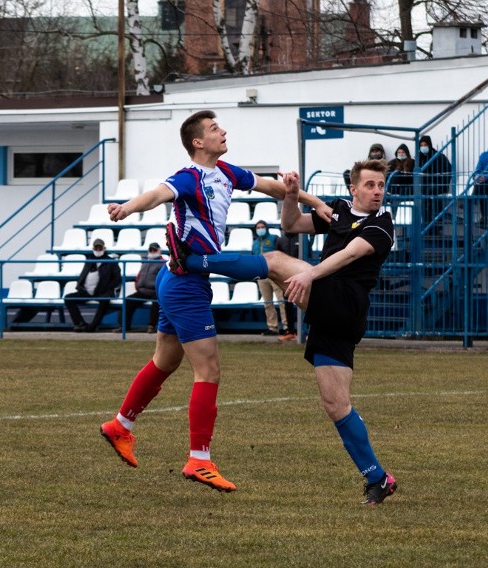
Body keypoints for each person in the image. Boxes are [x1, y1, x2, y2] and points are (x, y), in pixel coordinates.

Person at [99, 109, 331, 492]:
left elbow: (272, 187)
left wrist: (312, 200)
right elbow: (157, 195)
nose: (222, 132)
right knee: (208, 371)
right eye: (213, 129)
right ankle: (199, 460)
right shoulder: (189, 178)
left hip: (183, 280)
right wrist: (126, 208)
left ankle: (120, 426)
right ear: (197, 142)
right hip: (185, 282)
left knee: (165, 361)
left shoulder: (226, 172)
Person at [165, 160, 398, 505]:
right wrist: (290, 196)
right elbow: (290, 224)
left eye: (381, 185)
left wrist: (309, 275)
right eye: (370, 185)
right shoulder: (339, 210)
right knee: (336, 404)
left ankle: (193, 260)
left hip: (344, 303)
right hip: (329, 311)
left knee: (273, 260)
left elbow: (350, 254)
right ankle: (378, 477)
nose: (377, 191)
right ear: (354, 189)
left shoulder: (382, 224)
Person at [64, 238, 122, 332]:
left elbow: (117, 279)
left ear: (104, 248)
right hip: (86, 291)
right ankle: (80, 323)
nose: (98, 250)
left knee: (105, 301)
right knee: (68, 298)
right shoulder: (89, 261)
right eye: (96, 248)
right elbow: (83, 275)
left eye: (100, 248)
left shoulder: (111, 262)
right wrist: (80, 287)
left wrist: (107, 288)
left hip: (102, 292)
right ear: (93, 249)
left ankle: (93, 325)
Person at [116, 242, 163, 334]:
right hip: (143, 291)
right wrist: (137, 285)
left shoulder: (162, 263)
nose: (152, 252)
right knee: (128, 300)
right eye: (151, 250)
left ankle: (151, 326)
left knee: (156, 302)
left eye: (154, 250)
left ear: (159, 250)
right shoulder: (145, 262)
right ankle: (124, 326)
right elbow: (139, 275)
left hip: (155, 291)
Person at [252, 219, 288, 336]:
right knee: (267, 302)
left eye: (262, 227)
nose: (260, 229)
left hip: (274, 273)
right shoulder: (255, 243)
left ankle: (286, 326)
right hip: (261, 276)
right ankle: (273, 327)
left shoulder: (274, 238)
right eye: (258, 227)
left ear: (266, 228)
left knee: (281, 301)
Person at [415, 135, 452, 227]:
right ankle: (427, 224)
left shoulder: (439, 156)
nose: (423, 147)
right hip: (424, 187)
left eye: (425, 145)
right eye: (421, 145)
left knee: (431, 196)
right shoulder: (418, 158)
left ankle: (435, 225)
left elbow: (448, 171)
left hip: (439, 185)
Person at [275, 229, 300, 341]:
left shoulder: (301, 239)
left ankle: (305, 331)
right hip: (286, 276)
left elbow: (307, 254)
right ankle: (290, 331)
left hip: (300, 275)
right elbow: (277, 258)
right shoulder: (280, 240)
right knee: (287, 303)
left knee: (304, 303)